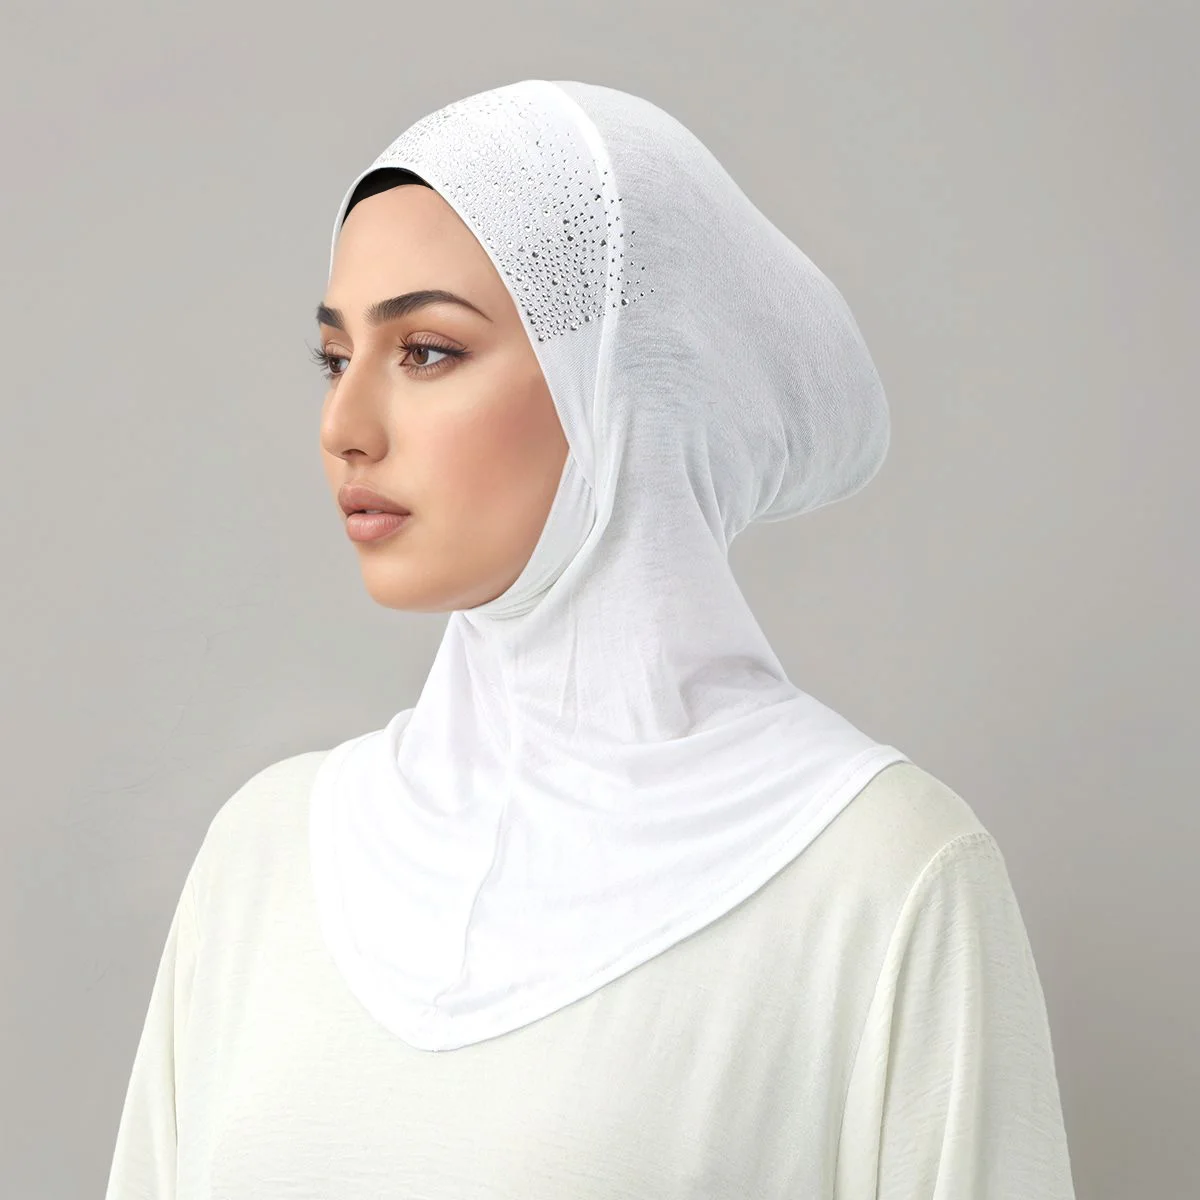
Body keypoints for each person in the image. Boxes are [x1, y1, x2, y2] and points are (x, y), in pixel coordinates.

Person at [105, 79, 1077, 1198]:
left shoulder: (879, 877)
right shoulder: (264, 855)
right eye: (336, 358)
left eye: (427, 350)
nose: (343, 425)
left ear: (620, 386)